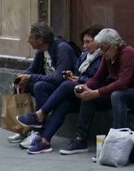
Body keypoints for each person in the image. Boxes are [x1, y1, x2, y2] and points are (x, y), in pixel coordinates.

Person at [58, 28, 134, 156]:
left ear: (113, 45)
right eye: (99, 48)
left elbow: (122, 82)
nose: (101, 52)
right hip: (119, 92)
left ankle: (117, 143)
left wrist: (96, 92)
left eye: (103, 48)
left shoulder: (128, 53)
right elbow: (97, 78)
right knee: (89, 97)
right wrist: (84, 87)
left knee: (117, 95)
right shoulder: (107, 56)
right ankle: (80, 139)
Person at [19, 26, 103, 154]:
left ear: (99, 42)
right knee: (62, 104)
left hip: (94, 93)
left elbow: (98, 79)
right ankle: (44, 141)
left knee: (64, 86)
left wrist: (79, 80)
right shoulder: (85, 56)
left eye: (88, 42)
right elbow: (77, 73)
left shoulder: (102, 58)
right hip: (77, 92)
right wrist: (73, 76)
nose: (84, 46)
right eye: (84, 42)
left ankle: (39, 116)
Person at [13, 21, 79, 124]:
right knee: (21, 84)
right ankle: (24, 127)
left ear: (40, 40)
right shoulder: (41, 50)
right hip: (50, 85)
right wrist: (20, 77)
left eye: (30, 37)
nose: (27, 40)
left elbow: (59, 78)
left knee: (40, 86)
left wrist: (30, 77)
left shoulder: (62, 48)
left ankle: (38, 124)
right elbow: (32, 69)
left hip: (64, 90)